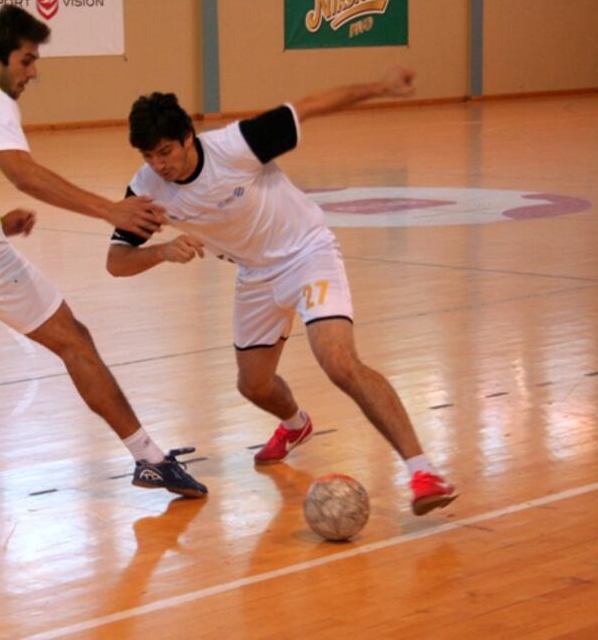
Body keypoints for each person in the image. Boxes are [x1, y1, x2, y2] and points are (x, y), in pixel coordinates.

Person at [0, 5, 207, 499]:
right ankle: (148, 457)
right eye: (26, 61)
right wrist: (109, 210)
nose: (34, 72)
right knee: (75, 339)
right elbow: (23, 174)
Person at [107, 68, 457, 515]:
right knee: (253, 385)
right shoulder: (146, 190)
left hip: (308, 253)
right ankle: (295, 425)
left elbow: (307, 106)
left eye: (165, 152)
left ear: (189, 137)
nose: (159, 165)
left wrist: (379, 86)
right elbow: (115, 262)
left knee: (338, 361)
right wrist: (161, 251)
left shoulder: (236, 146)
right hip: (254, 275)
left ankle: (423, 470)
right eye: (148, 155)